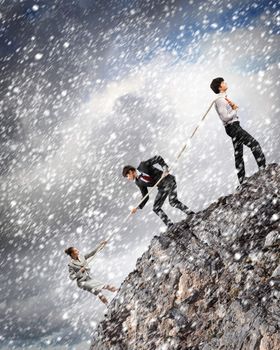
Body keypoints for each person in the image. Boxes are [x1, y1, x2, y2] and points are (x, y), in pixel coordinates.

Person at [210, 77, 266, 185]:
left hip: (234, 126)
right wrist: (235, 110)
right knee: (254, 144)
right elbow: (225, 118)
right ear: (219, 86)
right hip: (233, 127)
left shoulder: (223, 99)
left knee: (238, 153)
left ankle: (242, 180)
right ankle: (263, 170)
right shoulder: (220, 100)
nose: (225, 83)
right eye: (223, 82)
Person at [122, 155, 194, 228]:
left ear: (131, 172)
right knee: (156, 208)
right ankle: (170, 226)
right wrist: (137, 207)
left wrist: (165, 169)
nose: (128, 178)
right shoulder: (138, 182)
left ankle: (191, 214)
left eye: (127, 176)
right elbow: (145, 196)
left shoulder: (143, 165)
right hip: (162, 188)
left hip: (168, 181)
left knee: (173, 202)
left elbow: (158, 158)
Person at [65, 241, 117, 305]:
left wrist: (101, 245)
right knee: (97, 291)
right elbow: (71, 277)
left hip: (88, 279)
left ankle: (118, 291)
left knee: (104, 286)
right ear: (72, 254)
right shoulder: (71, 265)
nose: (78, 251)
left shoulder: (82, 257)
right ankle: (108, 305)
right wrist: (80, 271)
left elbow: (92, 253)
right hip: (82, 282)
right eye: (75, 250)